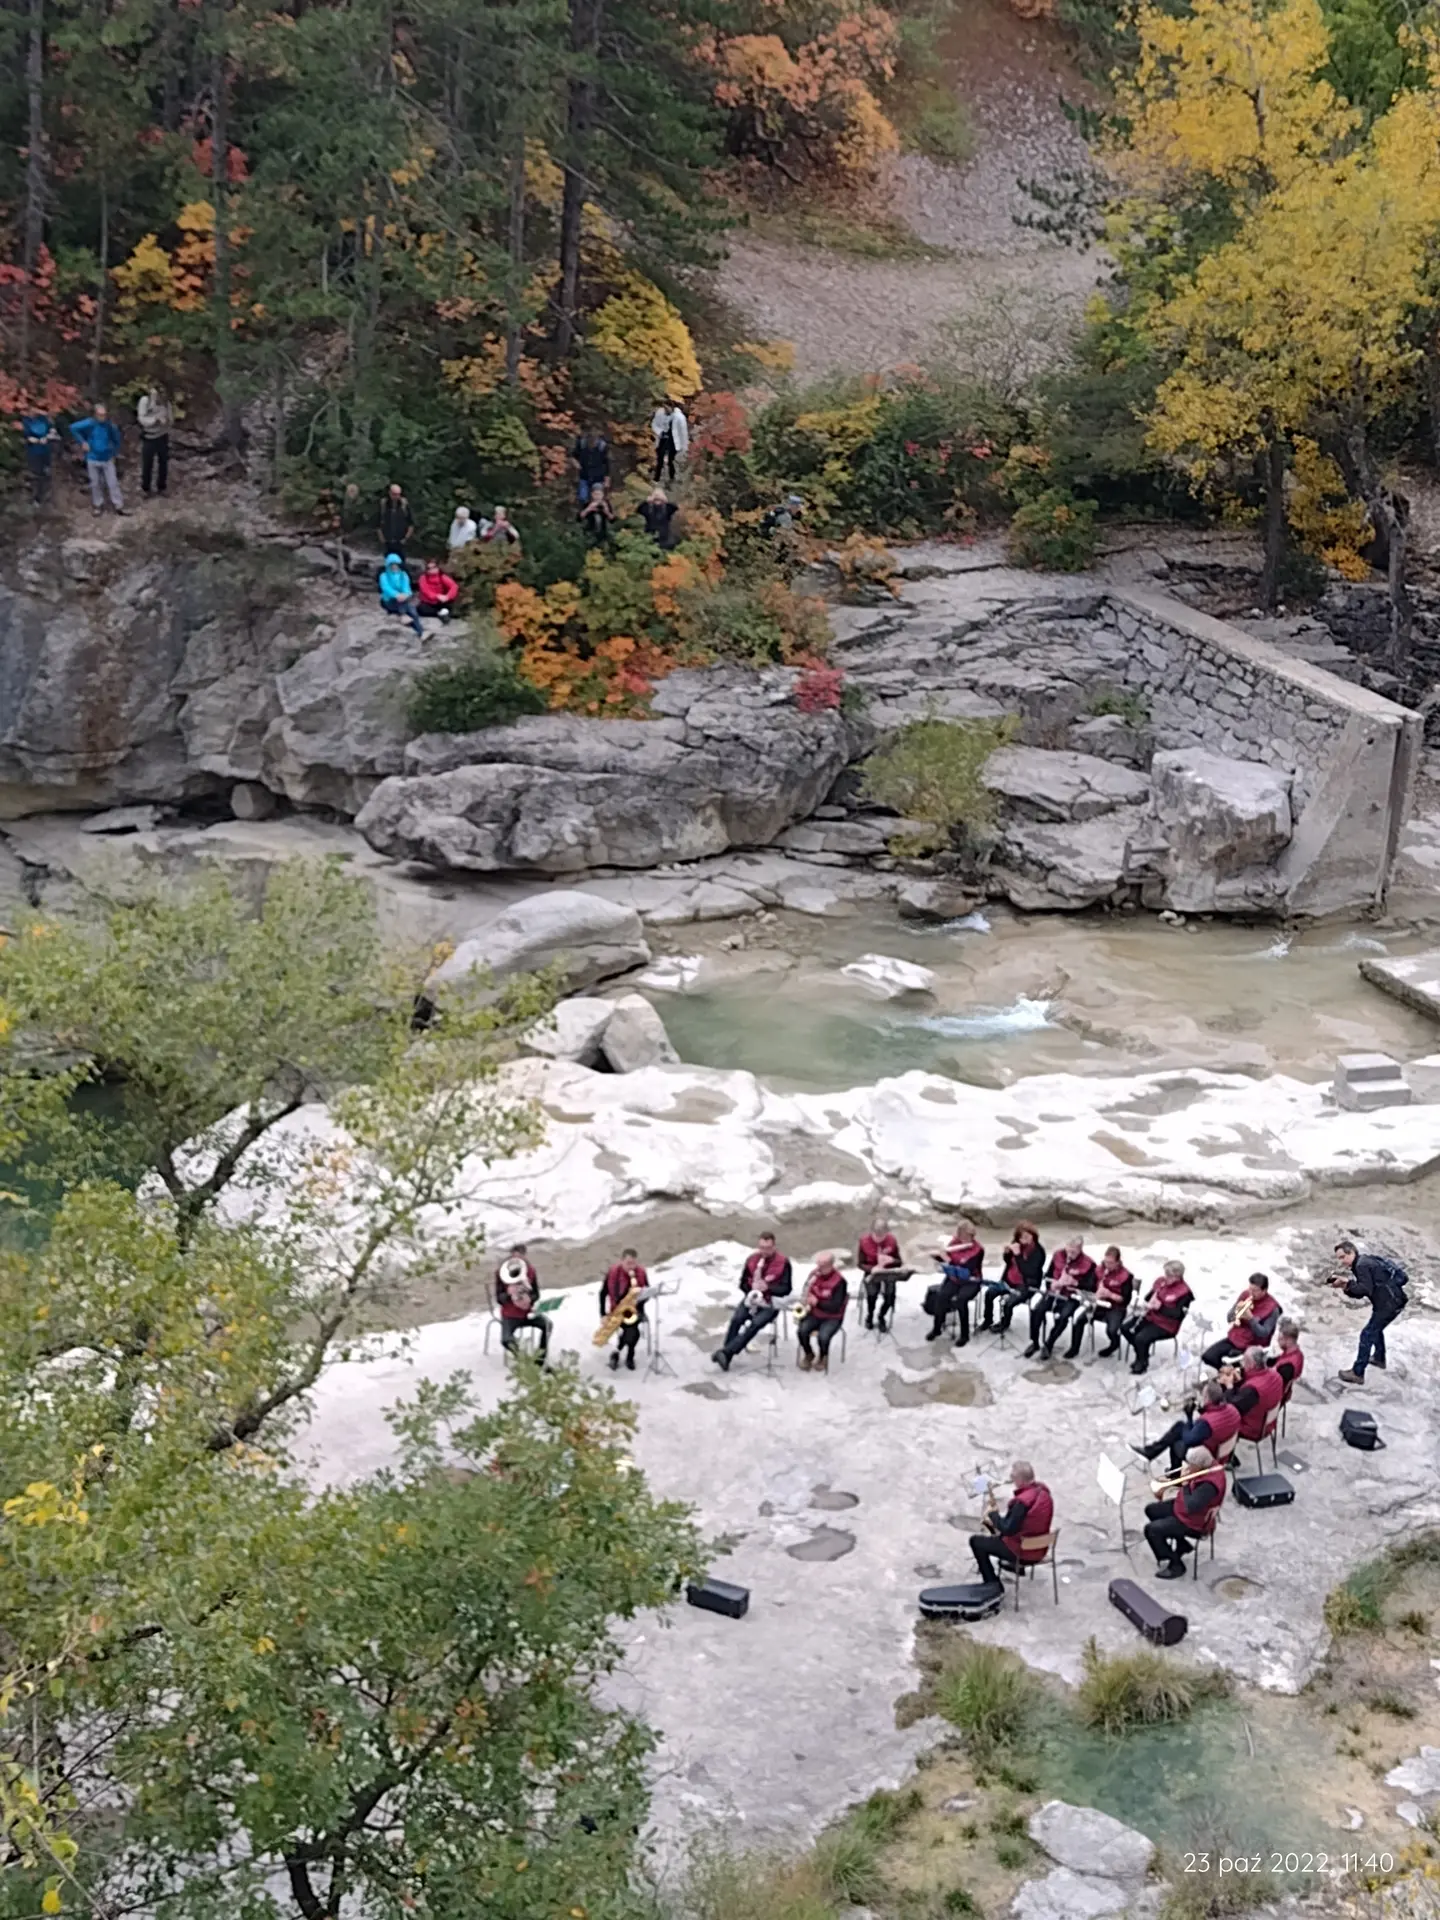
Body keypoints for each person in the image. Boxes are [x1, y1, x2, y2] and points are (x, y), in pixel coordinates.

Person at [1330, 1240, 1408, 1384]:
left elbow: (1365, 1290)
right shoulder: (1365, 1261)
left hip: (1388, 1304)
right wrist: (1348, 1285)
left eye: (1343, 1257)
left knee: (1367, 1334)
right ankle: (1379, 1358)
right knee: (1375, 1329)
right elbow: (1366, 1288)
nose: (1341, 1261)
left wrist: (1347, 1284)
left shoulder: (1361, 1265)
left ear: (1352, 1252)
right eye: (1339, 1258)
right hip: (1393, 1301)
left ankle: (1357, 1373)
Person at [1143, 1445, 1227, 1580]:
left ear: (1201, 1466)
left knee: (1151, 1530)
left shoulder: (1208, 1486)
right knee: (1151, 1510)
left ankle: (1176, 1564)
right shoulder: (1207, 1466)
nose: (1188, 1467)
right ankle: (1182, 1544)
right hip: (1183, 1510)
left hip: (1194, 1523)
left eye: (1191, 1465)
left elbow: (1191, 1506)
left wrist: (1186, 1483)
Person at [713, 1232, 793, 1370]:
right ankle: (726, 1355)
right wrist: (751, 1289)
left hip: (770, 1303)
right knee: (737, 1319)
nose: (764, 1251)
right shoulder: (752, 1260)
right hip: (752, 1299)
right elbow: (742, 1283)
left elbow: (786, 1289)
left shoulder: (783, 1263)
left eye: (767, 1248)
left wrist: (768, 1287)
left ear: (774, 1247)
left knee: (755, 1324)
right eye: (761, 1247)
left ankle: (726, 1353)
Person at [969, 1460, 1054, 1588]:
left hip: (1022, 1552)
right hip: (1040, 1549)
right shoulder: (1044, 1493)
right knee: (998, 1537)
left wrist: (994, 1515)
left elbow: (1008, 1529)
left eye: (1013, 1477)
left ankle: (991, 1582)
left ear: (1021, 1479)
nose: (1012, 1480)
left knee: (976, 1541)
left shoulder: (1022, 1502)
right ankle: (1016, 1568)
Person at [1132, 1378, 1241, 1474]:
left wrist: (1189, 1416)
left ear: (1207, 1397)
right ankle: (1153, 1455)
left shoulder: (1206, 1422)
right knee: (1179, 1428)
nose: (1202, 1397)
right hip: (1221, 1447)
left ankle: (1162, 1463)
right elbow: (1214, 1420)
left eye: (1203, 1395)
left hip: (1207, 1453)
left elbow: (1188, 1440)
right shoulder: (1232, 1409)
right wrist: (1202, 1410)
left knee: (1175, 1438)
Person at [1025, 1237, 1096, 1359]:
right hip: (1054, 1291)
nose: (1069, 1255)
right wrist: (1051, 1284)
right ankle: (1034, 1342)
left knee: (1063, 1317)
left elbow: (1092, 1286)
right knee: (1036, 1311)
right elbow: (1048, 1274)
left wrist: (1075, 1283)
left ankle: (1049, 1344)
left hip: (1072, 1296)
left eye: (1073, 1252)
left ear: (1080, 1250)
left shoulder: (1089, 1263)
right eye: (1068, 1250)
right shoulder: (1058, 1255)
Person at [1123, 1259, 1193, 1374]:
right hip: (1151, 1316)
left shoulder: (1185, 1293)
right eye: (1166, 1274)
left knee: (1141, 1338)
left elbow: (1178, 1315)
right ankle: (1142, 1353)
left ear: (1178, 1276)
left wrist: (1160, 1307)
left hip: (1167, 1325)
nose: (1166, 1278)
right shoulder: (1161, 1282)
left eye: (1170, 1276)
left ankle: (1142, 1362)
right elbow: (1148, 1297)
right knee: (1125, 1328)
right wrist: (1148, 1301)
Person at [1201, 1273, 1281, 1369]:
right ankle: (1228, 1374)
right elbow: (1229, 1318)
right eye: (1250, 1289)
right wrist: (1234, 1313)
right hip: (1236, 1338)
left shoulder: (1273, 1309)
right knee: (1208, 1357)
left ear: (1264, 1290)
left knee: (1233, 1360)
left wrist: (1250, 1319)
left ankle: (1235, 1377)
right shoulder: (1246, 1295)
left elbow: (1264, 1333)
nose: (1251, 1293)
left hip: (1253, 1346)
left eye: (1255, 1291)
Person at [925, 1220, 985, 1347]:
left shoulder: (978, 1249)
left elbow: (967, 1266)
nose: (963, 1238)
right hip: (954, 1278)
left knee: (961, 1300)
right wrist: (940, 1256)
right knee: (941, 1296)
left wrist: (948, 1259)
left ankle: (964, 1335)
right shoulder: (954, 1243)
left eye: (966, 1235)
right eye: (961, 1235)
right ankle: (937, 1328)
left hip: (971, 1281)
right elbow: (948, 1259)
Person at [982, 1223, 1045, 1333]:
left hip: (1026, 1285)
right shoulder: (1016, 1244)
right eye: (1021, 1237)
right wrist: (1006, 1254)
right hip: (1009, 1280)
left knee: (1008, 1303)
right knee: (989, 1293)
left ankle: (1004, 1323)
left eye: (1027, 1237)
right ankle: (988, 1319)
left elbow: (1028, 1271)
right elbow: (1009, 1262)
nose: (1023, 1240)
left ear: (1033, 1236)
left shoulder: (1038, 1252)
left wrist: (1018, 1255)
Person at [1219, 1346, 1285, 1447]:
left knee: (1219, 1421)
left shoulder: (1252, 1389)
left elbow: (1231, 1408)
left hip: (1252, 1428)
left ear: (1252, 1364)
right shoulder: (1276, 1375)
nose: (1242, 1364)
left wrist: (1229, 1386)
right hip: (1268, 1422)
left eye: (1244, 1361)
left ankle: (1225, 1455)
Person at [493, 1245, 549, 1362]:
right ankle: (523, 1359)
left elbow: (536, 1294)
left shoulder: (531, 1271)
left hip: (527, 1313)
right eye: (515, 1256)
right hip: (510, 1315)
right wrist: (510, 1295)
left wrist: (529, 1299)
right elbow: (499, 1298)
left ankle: (540, 1358)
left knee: (548, 1325)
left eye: (521, 1255)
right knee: (506, 1340)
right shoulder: (502, 1273)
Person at [69, 403, 126, 515]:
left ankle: (118, 505)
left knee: (112, 483)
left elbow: (117, 440)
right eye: (100, 415)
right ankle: (98, 505)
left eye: (104, 415)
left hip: (107, 458)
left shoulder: (110, 426)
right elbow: (73, 428)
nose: (102, 417)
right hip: (92, 458)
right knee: (95, 483)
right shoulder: (90, 423)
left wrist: (114, 452)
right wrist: (82, 442)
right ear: (95, 415)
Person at [599, 1247, 649, 1372]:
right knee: (632, 1332)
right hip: (617, 1309)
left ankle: (620, 1353)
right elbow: (603, 1293)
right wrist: (603, 1314)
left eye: (633, 1263)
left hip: (635, 1310)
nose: (631, 1267)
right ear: (621, 1261)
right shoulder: (613, 1273)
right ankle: (626, 1354)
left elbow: (647, 1291)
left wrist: (641, 1298)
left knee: (632, 1331)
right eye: (628, 1263)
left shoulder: (641, 1273)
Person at [797, 1252, 848, 1373]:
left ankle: (822, 1356)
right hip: (815, 1313)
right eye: (818, 1264)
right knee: (802, 1331)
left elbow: (835, 1306)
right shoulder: (814, 1275)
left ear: (831, 1265)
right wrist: (806, 1298)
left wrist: (817, 1302)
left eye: (823, 1266)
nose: (818, 1268)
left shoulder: (840, 1282)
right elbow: (807, 1289)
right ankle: (809, 1353)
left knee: (823, 1337)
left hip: (833, 1316)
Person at [1082, 1245, 1134, 1358]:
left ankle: (1114, 1344)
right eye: (1105, 1262)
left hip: (1116, 1307)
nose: (1107, 1265)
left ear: (1118, 1262)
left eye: (1110, 1263)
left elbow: (1126, 1300)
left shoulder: (1126, 1276)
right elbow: (1089, 1286)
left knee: (1112, 1329)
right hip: (1099, 1303)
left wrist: (1110, 1294)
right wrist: (1095, 1293)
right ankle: (1075, 1348)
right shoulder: (1098, 1270)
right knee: (1079, 1320)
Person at [858, 1217, 909, 1332]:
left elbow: (899, 1261)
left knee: (890, 1297)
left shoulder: (891, 1240)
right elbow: (860, 1264)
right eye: (877, 1236)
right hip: (872, 1272)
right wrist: (871, 1269)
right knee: (872, 1295)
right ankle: (870, 1315)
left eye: (882, 1236)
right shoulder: (864, 1241)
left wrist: (891, 1260)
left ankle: (881, 1316)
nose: (879, 1239)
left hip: (888, 1271)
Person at [136, 385, 172, 497]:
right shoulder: (145, 401)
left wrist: (167, 421)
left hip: (162, 436)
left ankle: (162, 486)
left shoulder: (167, 403)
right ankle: (145, 488)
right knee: (147, 463)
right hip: (149, 437)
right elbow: (142, 419)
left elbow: (171, 419)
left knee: (163, 462)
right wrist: (155, 419)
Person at [377, 553, 422, 636]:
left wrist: (405, 595)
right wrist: (397, 595)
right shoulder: (383, 576)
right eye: (392, 564)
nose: (394, 566)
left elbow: (407, 588)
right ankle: (403, 614)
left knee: (412, 610)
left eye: (396, 564)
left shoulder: (403, 575)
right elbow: (386, 588)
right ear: (388, 565)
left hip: (403, 600)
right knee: (405, 605)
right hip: (388, 600)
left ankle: (419, 633)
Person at [20, 409, 57, 506]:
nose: (33, 412)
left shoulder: (43, 419)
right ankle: (37, 497)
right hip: (34, 452)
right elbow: (27, 437)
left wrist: (50, 435)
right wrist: (38, 440)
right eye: (30, 411)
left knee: (47, 473)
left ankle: (47, 494)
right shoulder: (25, 421)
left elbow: (52, 429)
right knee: (38, 474)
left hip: (46, 451)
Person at [650, 400, 689, 482]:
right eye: (664, 408)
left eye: (667, 408)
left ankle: (672, 476)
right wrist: (660, 432)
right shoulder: (660, 413)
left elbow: (683, 433)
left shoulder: (679, 417)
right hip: (663, 437)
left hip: (674, 441)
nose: (665, 410)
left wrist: (684, 447)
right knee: (660, 456)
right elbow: (654, 424)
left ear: (672, 408)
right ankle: (657, 477)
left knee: (670, 460)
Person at [571, 427, 611, 504]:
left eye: (594, 442)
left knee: (597, 498)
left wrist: (607, 478)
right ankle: (584, 512)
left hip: (598, 476)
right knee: (583, 498)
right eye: (591, 441)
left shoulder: (602, 446)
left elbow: (606, 462)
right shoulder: (581, 444)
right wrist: (575, 463)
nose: (592, 444)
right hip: (584, 475)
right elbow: (573, 456)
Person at [379, 483, 414, 558]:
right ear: (390, 493)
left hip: (401, 541)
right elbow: (377, 522)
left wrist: (405, 538)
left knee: (401, 561)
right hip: (387, 541)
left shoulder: (404, 505)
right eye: (394, 494)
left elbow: (411, 523)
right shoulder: (384, 505)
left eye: (398, 494)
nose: (396, 496)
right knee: (388, 561)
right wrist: (382, 538)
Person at [1272, 1317, 1306, 1390]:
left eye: (1280, 1339)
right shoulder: (1296, 1354)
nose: (1278, 1341)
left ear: (1289, 1340)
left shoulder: (1288, 1367)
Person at [579, 480, 616, 546]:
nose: (597, 497)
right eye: (595, 494)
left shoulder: (606, 504)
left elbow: (613, 520)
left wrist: (606, 511)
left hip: (603, 534)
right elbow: (579, 518)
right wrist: (589, 509)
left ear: (602, 495)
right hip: (589, 534)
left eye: (599, 494)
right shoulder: (587, 504)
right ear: (592, 494)